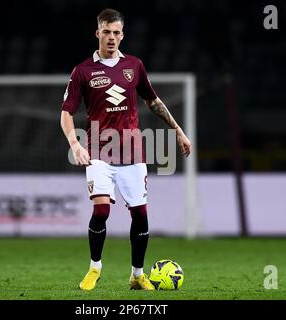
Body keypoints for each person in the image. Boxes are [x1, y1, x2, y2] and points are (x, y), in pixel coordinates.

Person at [60, 8, 191, 291]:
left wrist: (178, 130)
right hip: (98, 152)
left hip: (133, 154)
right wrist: (75, 143)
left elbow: (152, 101)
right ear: (97, 33)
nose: (111, 37)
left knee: (141, 215)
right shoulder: (82, 71)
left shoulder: (134, 66)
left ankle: (137, 274)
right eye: (106, 32)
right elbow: (66, 113)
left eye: (116, 32)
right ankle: (95, 268)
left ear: (123, 35)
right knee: (102, 210)